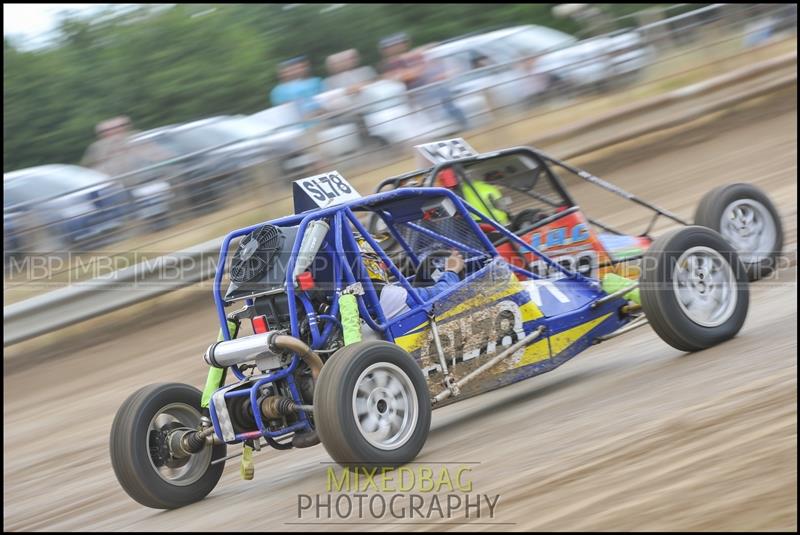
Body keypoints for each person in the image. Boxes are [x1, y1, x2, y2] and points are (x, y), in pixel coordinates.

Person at [378, 249, 465, 319]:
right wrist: (452, 271)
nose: (381, 264)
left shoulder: (372, 295)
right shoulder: (384, 294)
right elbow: (446, 294)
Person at [435, 168, 511, 226]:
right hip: (498, 222)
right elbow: (502, 207)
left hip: (476, 225)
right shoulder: (489, 188)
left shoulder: (456, 192)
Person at [269, 56, 324, 122]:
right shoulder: (277, 91)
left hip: (321, 118)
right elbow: (283, 109)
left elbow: (324, 99)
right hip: (297, 122)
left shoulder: (316, 81)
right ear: (281, 74)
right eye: (286, 71)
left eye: (301, 67)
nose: (292, 72)